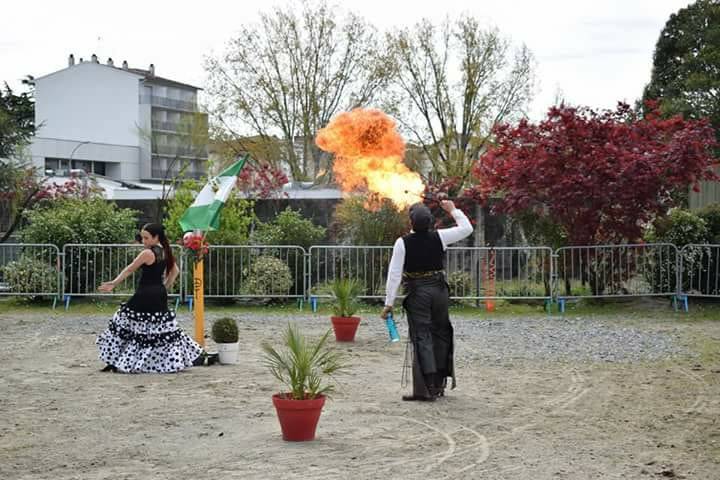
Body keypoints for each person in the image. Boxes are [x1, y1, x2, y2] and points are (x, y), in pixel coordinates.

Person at [381, 200, 473, 401]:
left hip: (419, 292)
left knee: (422, 335)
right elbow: (467, 228)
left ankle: (427, 387)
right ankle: (439, 383)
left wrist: (389, 303)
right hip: (439, 290)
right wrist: (453, 209)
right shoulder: (440, 237)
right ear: (430, 222)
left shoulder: (402, 242)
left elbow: (394, 274)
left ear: (411, 222)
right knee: (440, 333)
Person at [96, 223, 202, 373]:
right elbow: (175, 271)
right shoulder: (166, 251)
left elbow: (130, 269)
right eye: (142, 237)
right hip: (159, 293)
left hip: (145, 293)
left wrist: (113, 283)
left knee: (125, 322)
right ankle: (148, 363)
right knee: (158, 329)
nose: (143, 241)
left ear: (156, 237)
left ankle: (121, 361)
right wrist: (164, 287)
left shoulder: (147, 253)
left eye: (146, 238)